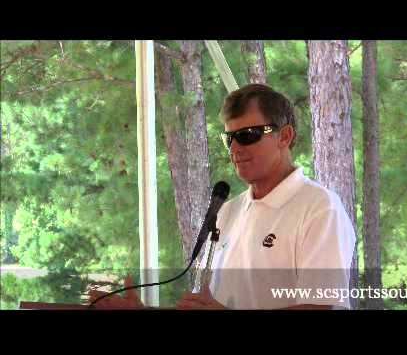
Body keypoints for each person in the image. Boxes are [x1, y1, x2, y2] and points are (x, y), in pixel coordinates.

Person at [89, 84, 356, 310]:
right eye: (229, 139)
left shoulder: (320, 208)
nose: (236, 148)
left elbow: (321, 305)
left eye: (247, 135)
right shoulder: (229, 211)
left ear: (284, 136)